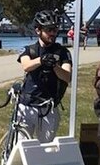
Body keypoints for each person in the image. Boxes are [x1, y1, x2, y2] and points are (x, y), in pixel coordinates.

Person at [15, 10, 72, 141]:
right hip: (27, 106)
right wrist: (41, 60)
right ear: (38, 30)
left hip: (48, 107)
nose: (53, 33)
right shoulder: (29, 50)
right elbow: (26, 65)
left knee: (47, 149)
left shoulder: (62, 52)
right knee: (23, 147)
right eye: (49, 29)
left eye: (55, 29)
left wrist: (54, 66)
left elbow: (67, 76)